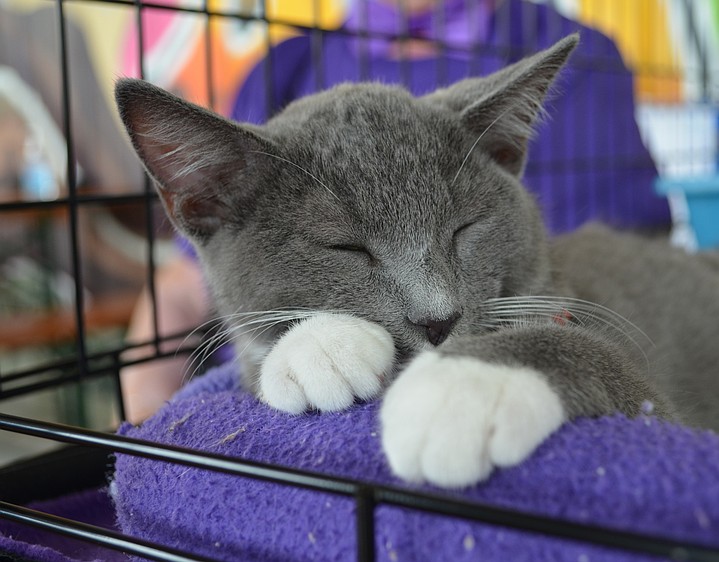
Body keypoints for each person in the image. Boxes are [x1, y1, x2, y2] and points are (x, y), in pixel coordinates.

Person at [121, 0, 667, 422]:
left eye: (463, 230)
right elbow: (181, 285)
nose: (438, 306)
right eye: (346, 247)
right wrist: (149, 424)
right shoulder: (286, 64)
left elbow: (577, 292)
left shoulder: (580, 58)